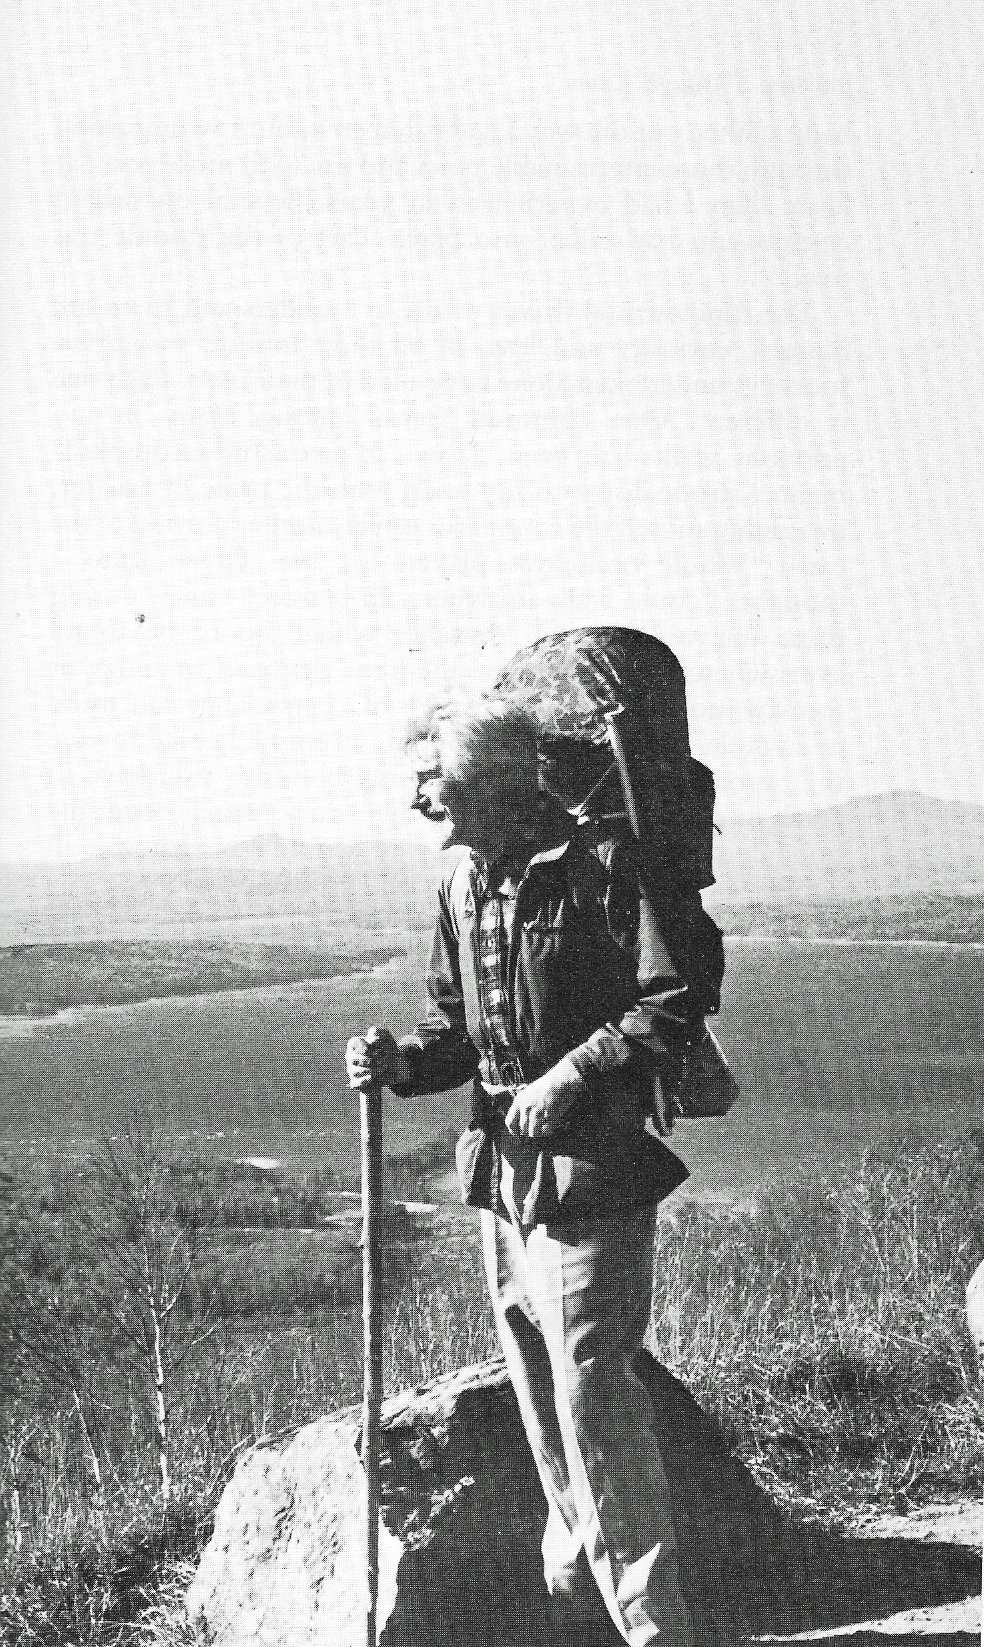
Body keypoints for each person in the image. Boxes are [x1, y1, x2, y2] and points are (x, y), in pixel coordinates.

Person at [346, 697, 696, 1647]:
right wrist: (402, 1064)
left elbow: (672, 1001)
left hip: (593, 1168)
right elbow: (457, 1031)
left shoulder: (599, 869)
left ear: (494, 783)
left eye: (434, 782)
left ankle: (656, 1623)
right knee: (537, 1380)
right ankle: (583, 1597)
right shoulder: (464, 885)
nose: (420, 801)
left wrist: (572, 1074)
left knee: (593, 1385)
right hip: (502, 1171)